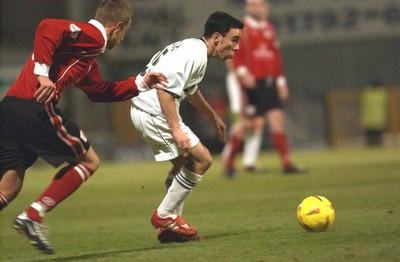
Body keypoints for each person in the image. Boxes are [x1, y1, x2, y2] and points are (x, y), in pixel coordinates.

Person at [0, 0, 167, 254]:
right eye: (124, 34)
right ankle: (33, 215)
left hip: (11, 107)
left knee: (9, 188)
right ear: (117, 27)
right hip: (34, 107)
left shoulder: (85, 54)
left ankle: (32, 215)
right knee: (89, 161)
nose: (122, 39)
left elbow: (100, 91)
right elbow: (47, 27)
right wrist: (43, 75)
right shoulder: (93, 37)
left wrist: (142, 83)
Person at [130, 11, 243, 243]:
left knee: (184, 164)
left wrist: (212, 117)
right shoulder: (195, 54)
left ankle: (171, 229)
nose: (236, 47)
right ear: (216, 37)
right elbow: (164, 90)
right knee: (203, 160)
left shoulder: (194, 49)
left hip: (146, 110)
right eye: (234, 40)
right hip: (153, 111)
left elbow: (189, 89)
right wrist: (176, 129)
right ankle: (165, 215)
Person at [221, 0, 306, 178]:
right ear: (246, 8)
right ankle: (228, 164)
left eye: (259, 5)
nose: (256, 8)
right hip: (253, 83)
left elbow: (275, 56)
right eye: (252, 4)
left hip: (270, 83)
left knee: (277, 119)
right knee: (248, 124)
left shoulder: (269, 28)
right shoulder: (240, 29)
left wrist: (281, 81)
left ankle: (287, 164)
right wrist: (243, 73)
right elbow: (233, 53)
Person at [360, 80, 388, 146]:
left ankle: (369, 149)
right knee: (379, 140)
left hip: (368, 120)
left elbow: (362, 106)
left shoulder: (366, 93)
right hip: (379, 120)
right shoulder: (382, 94)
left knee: (369, 140)